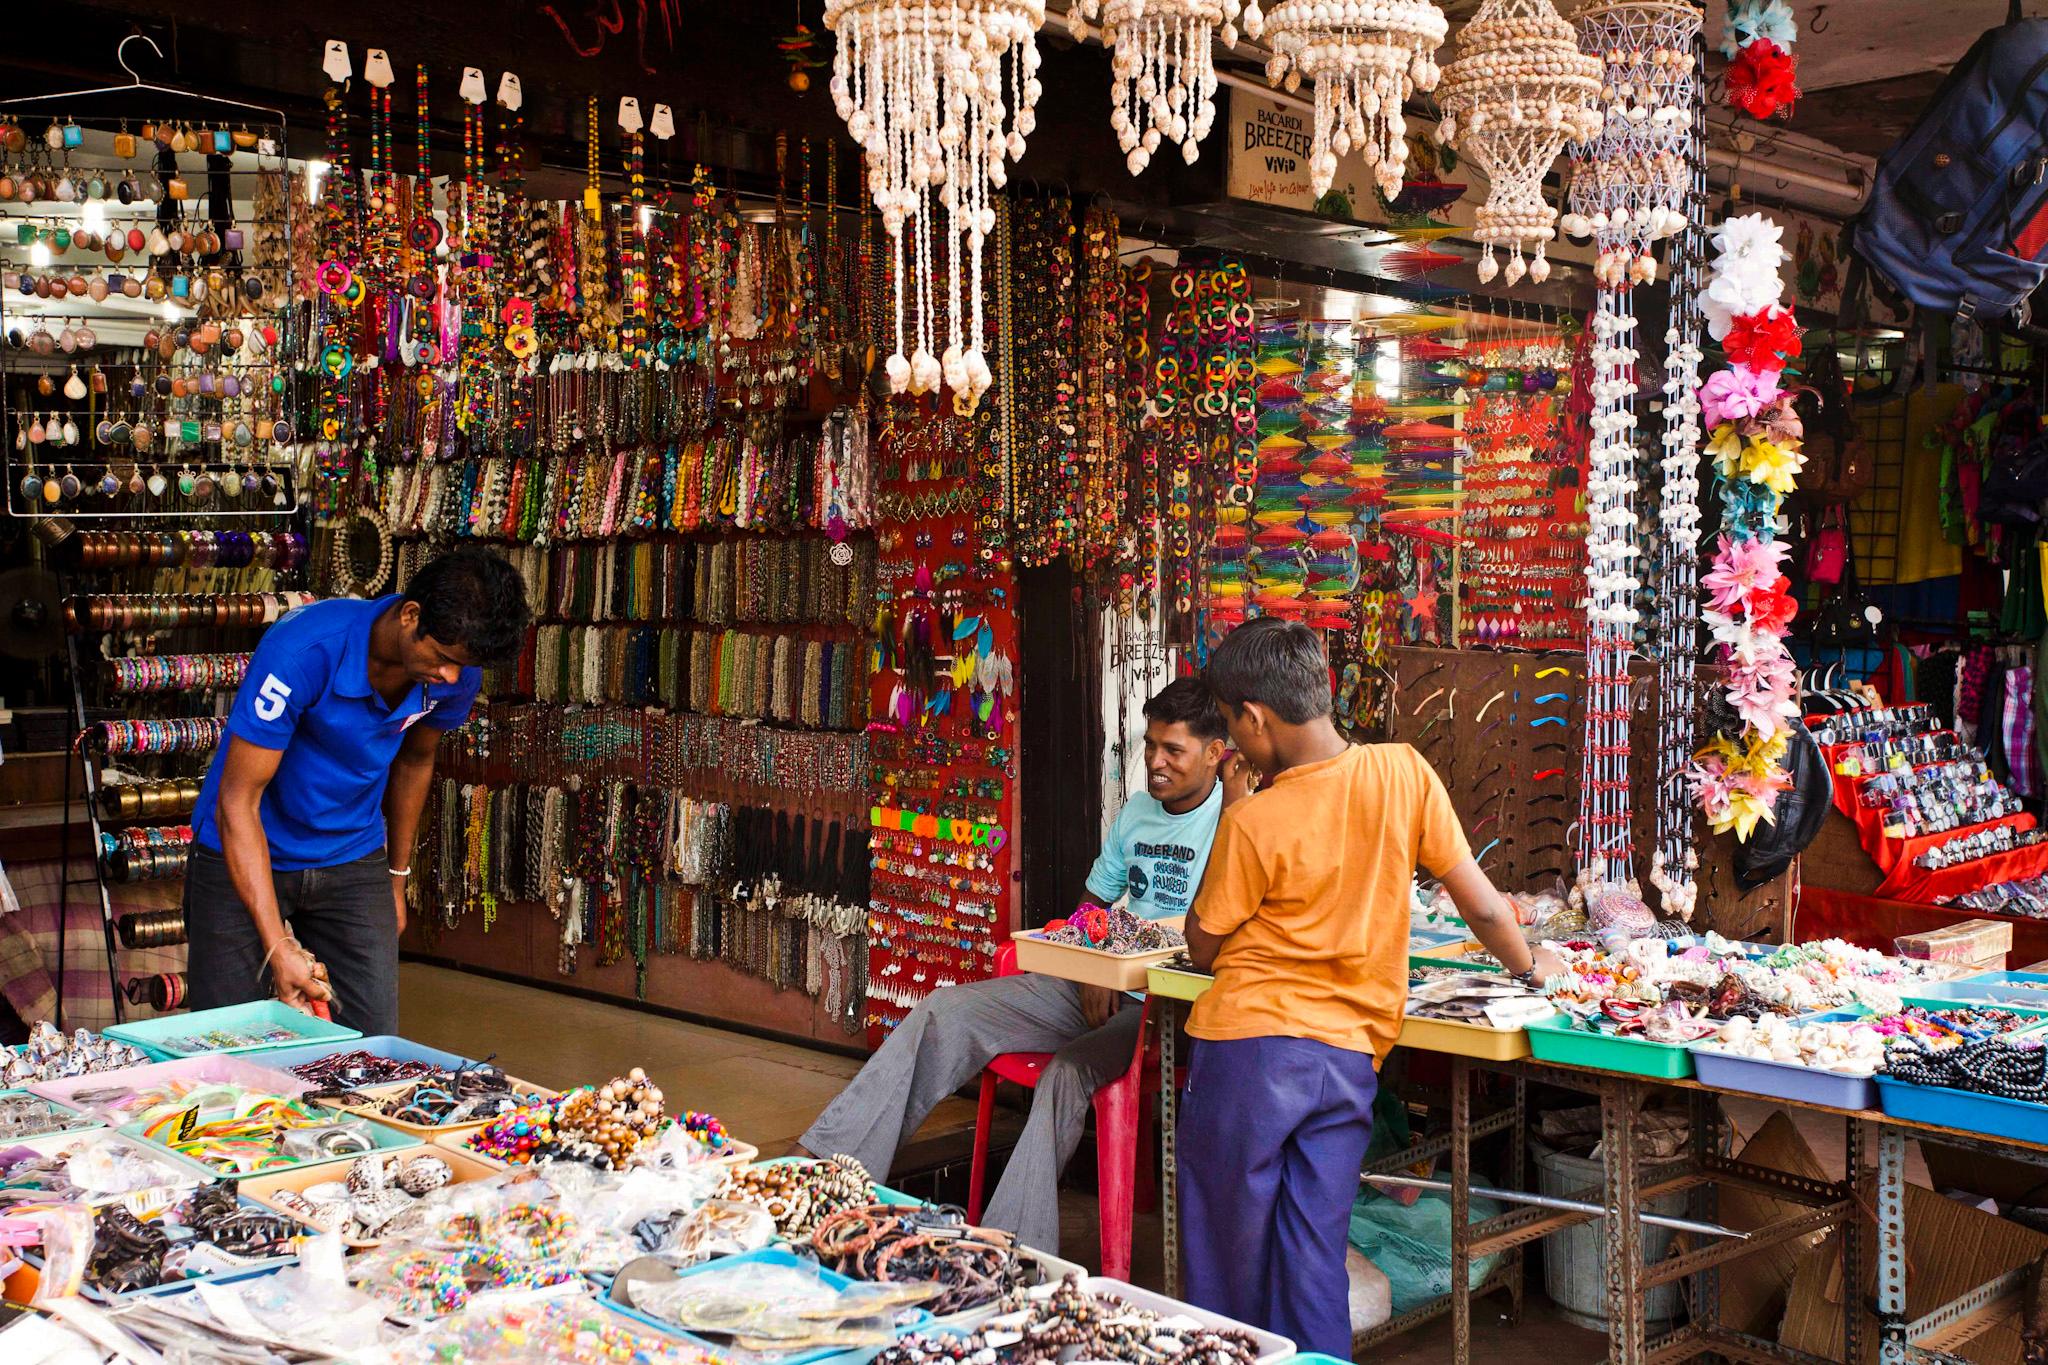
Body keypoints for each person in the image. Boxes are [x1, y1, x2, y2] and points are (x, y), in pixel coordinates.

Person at [1177, 618, 1564, 1356]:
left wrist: (1232, 808)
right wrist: (1530, 964)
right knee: (1312, 1259)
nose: (1233, 744)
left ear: (1255, 718)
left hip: (1248, 1056)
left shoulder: (1254, 820)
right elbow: (1482, 902)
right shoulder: (1404, 771)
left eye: (1230, 726)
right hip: (1346, 1064)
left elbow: (1201, 945)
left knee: (1226, 1259)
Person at [799, 677, 1248, 1255]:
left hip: (1166, 1009)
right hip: (1100, 982)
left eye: (1173, 751)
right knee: (945, 1012)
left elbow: (1219, 924)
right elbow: (1092, 905)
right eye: (1151, 746)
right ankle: (835, 1172)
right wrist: (1087, 967)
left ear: (1216, 752)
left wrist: (1236, 812)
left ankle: (1005, 1245)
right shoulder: (1138, 811)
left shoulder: (1237, 819)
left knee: (1066, 1072)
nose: (1156, 763)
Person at [183, 549, 531, 1035]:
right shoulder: (302, 651)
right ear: (411, 616)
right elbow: (237, 802)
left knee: (373, 1047)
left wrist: (396, 879)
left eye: (464, 667)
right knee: (229, 1041)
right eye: (446, 660)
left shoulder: (455, 671)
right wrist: (275, 945)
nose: (454, 678)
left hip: (352, 855)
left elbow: (415, 759)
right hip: (244, 848)